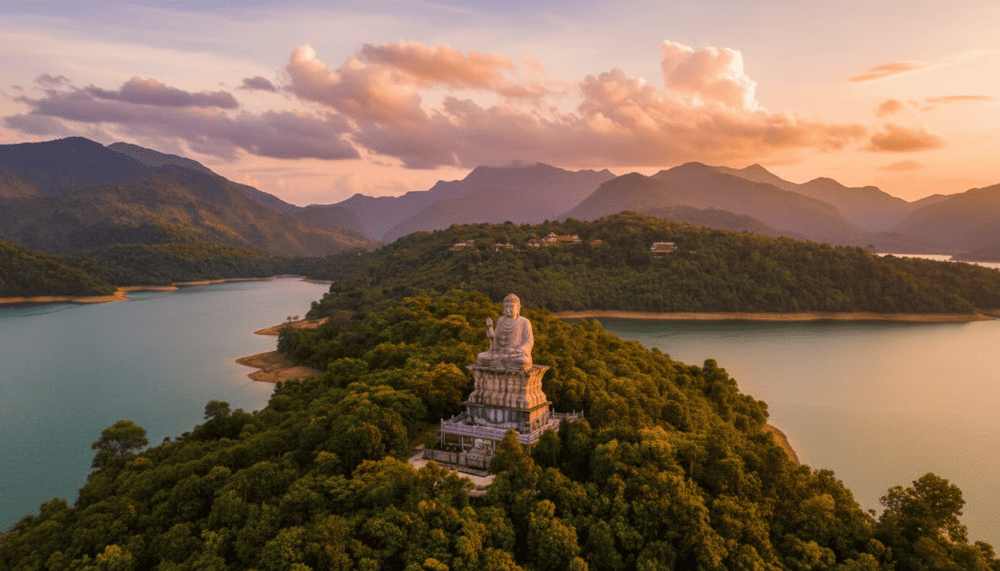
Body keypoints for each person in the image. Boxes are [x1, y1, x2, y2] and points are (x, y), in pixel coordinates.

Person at [476, 293, 533, 370]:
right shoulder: (500, 320)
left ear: (518, 307)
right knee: (480, 357)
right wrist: (489, 331)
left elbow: (529, 341)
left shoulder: (524, 322)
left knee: (523, 361)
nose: (508, 309)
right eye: (506, 306)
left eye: (511, 306)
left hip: (515, 355)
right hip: (500, 354)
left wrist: (516, 350)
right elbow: (496, 341)